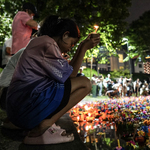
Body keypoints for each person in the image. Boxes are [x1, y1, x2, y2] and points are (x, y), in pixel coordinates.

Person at [6, 15, 100, 145]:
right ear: (65, 35)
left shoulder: (42, 42)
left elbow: (68, 73)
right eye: (72, 44)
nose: (70, 48)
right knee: (85, 84)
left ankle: (44, 122)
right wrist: (83, 48)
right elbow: (70, 75)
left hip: (19, 108)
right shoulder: (47, 43)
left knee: (79, 79)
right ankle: (44, 125)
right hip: (24, 107)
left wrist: (82, 45)